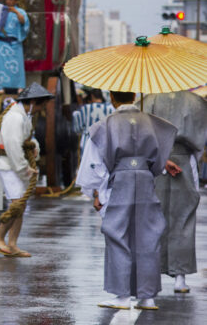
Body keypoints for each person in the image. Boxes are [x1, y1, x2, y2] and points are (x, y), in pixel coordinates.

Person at [76, 91, 177, 310]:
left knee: (117, 234)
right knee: (148, 235)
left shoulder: (104, 125)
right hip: (145, 179)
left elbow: (95, 164)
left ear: (112, 97)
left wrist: (97, 193)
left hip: (119, 180)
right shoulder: (152, 123)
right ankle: (148, 296)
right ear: (134, 95)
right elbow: (159, 162)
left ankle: (122, 296)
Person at [141, 91, 207, 294]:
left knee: (152, 217)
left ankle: (152, 274)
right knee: (184, 217)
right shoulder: (196, 102)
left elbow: (141, 134)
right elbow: (200, 140)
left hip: (155, 159)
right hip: (184, 158)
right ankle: (180, 277)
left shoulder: (148, 99)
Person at [0, 83, 53, 258]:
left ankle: (12, 243)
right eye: (41, 104)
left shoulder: (24, 115)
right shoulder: (15, 117)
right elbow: (13, 146)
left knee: (20, 205)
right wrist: (24, 169)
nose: (42, 108)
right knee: (17, 203)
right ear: (33, 102)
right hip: (8, 165)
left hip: (14, 164)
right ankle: (0, 239)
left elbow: (27, 140)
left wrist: (34, 149)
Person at [72, 88, 114, 155]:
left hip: (87, 143)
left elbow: (77, 128)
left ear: (92, 96)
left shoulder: (85, 108)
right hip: (106, 143)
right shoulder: (110, 109)